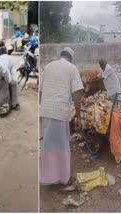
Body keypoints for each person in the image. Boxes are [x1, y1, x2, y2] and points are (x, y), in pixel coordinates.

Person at [39, 47, 83, 185]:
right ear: (71, 57)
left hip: (46, 112)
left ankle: (47, 177)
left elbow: (40, 92)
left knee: (48, 145)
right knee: (62, 146)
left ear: (61, 55)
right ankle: (62, 178)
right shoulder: (72, 68)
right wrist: (79, 116)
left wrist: (42, 109)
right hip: (60, 112)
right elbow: (77, 94)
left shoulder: (48, 67)